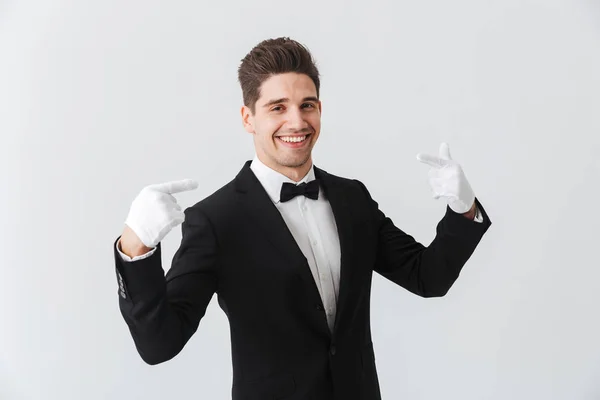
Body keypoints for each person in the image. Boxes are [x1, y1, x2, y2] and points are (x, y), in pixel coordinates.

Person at [113, 37, 492, 400]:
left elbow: (428, 277)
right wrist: (137, 245)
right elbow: (159, 344)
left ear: (320, 110)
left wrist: (463, 210)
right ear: (249, 118)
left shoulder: (352, 199)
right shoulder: (215, 220)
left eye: (307, 105)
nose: (296, 122)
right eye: (278, 107)